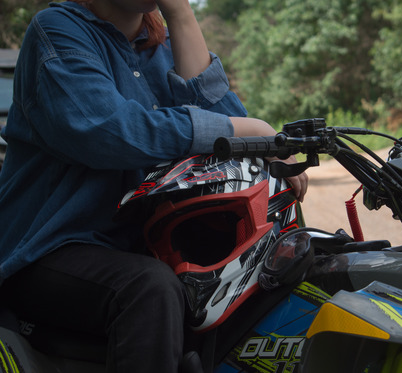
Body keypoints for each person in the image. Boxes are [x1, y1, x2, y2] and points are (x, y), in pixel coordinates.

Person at [0, 0, 308, 371]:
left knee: (274, 260)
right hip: (50, 247)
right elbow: (111, 130)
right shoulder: (57, 31)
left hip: (149, 241)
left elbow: (220, 114)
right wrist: (249, 131)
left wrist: (181, 13)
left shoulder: (159, 44)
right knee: (150, 288)